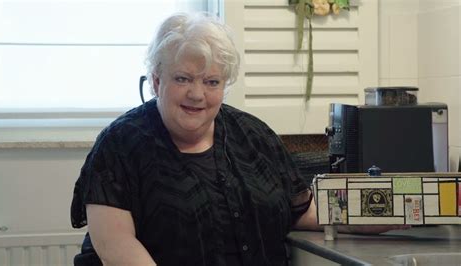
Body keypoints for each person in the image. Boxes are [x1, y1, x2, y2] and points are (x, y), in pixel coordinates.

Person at [70, 12, 403, 266]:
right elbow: (115, 246)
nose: (197, 94)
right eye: (183, 78)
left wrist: (371, 218)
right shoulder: (120, 144)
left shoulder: (253, 135)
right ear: (157, 82)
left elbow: (300, 210)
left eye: (212, 82)